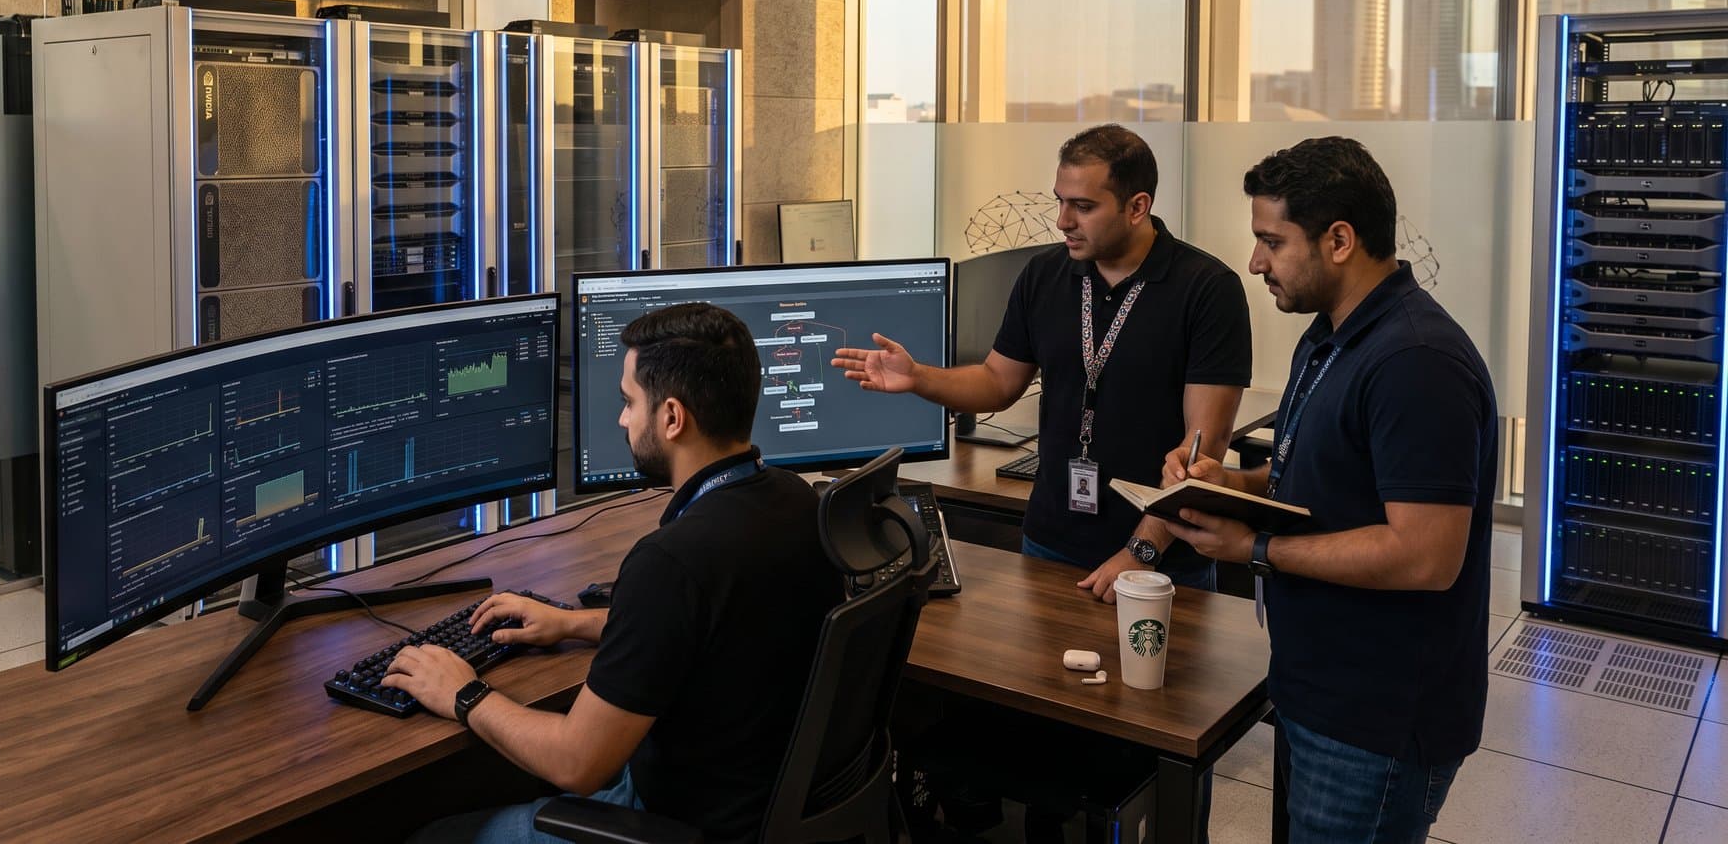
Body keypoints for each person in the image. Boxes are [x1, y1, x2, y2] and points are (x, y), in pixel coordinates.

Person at [388, 303, 842, 844]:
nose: (623, 419)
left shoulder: (672, 560)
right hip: (764, 801)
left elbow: (578, 765)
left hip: (682, 821)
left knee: (427, 836)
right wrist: (572, 623)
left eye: (630, 402)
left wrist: (464, 694)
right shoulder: (797, 502)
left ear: (672, 418)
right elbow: (715, 632)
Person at [1160, 137, 1495, 844]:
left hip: (1378, 720)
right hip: (1319, 687)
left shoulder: (1415, 362)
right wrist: (1229, 482)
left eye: (1271, 242)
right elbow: (1313, 475)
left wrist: (1256, 547)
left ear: (1339, 240)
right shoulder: (1329, 336)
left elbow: (1426, 555)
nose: (1255, 262)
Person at [835, 124, 1252, 596]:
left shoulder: (1207, 289)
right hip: (1049, 539)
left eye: (1083, 207)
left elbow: (1202, 449)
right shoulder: (1044, 274)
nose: (1062, 221)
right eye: (1060, 201)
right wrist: (919, 378)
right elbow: (997, 381)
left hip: (1162, 555)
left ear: (1138, 207)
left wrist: (1140, 551)